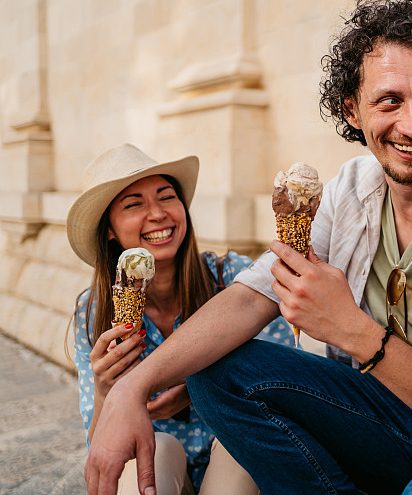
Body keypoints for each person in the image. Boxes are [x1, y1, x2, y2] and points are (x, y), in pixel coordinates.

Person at [83, 0, 412, 495]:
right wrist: (130, 390)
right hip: (381, 426)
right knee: (215, 374)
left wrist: (359, 335)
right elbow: (253, 295)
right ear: (352, 109)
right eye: (390, 100)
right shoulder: (350, 190)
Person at [67, 144, 295, 495]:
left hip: (237, 459)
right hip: (158, 464)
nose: (158, 214)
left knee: (240, 443)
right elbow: (100, 450)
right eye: (134, 204)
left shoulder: (233, 278)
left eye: (166, 197)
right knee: (149, 456)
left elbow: (286, 386)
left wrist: (195, 386)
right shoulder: (94, 311)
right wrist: (105, 392)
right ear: (109, 230)